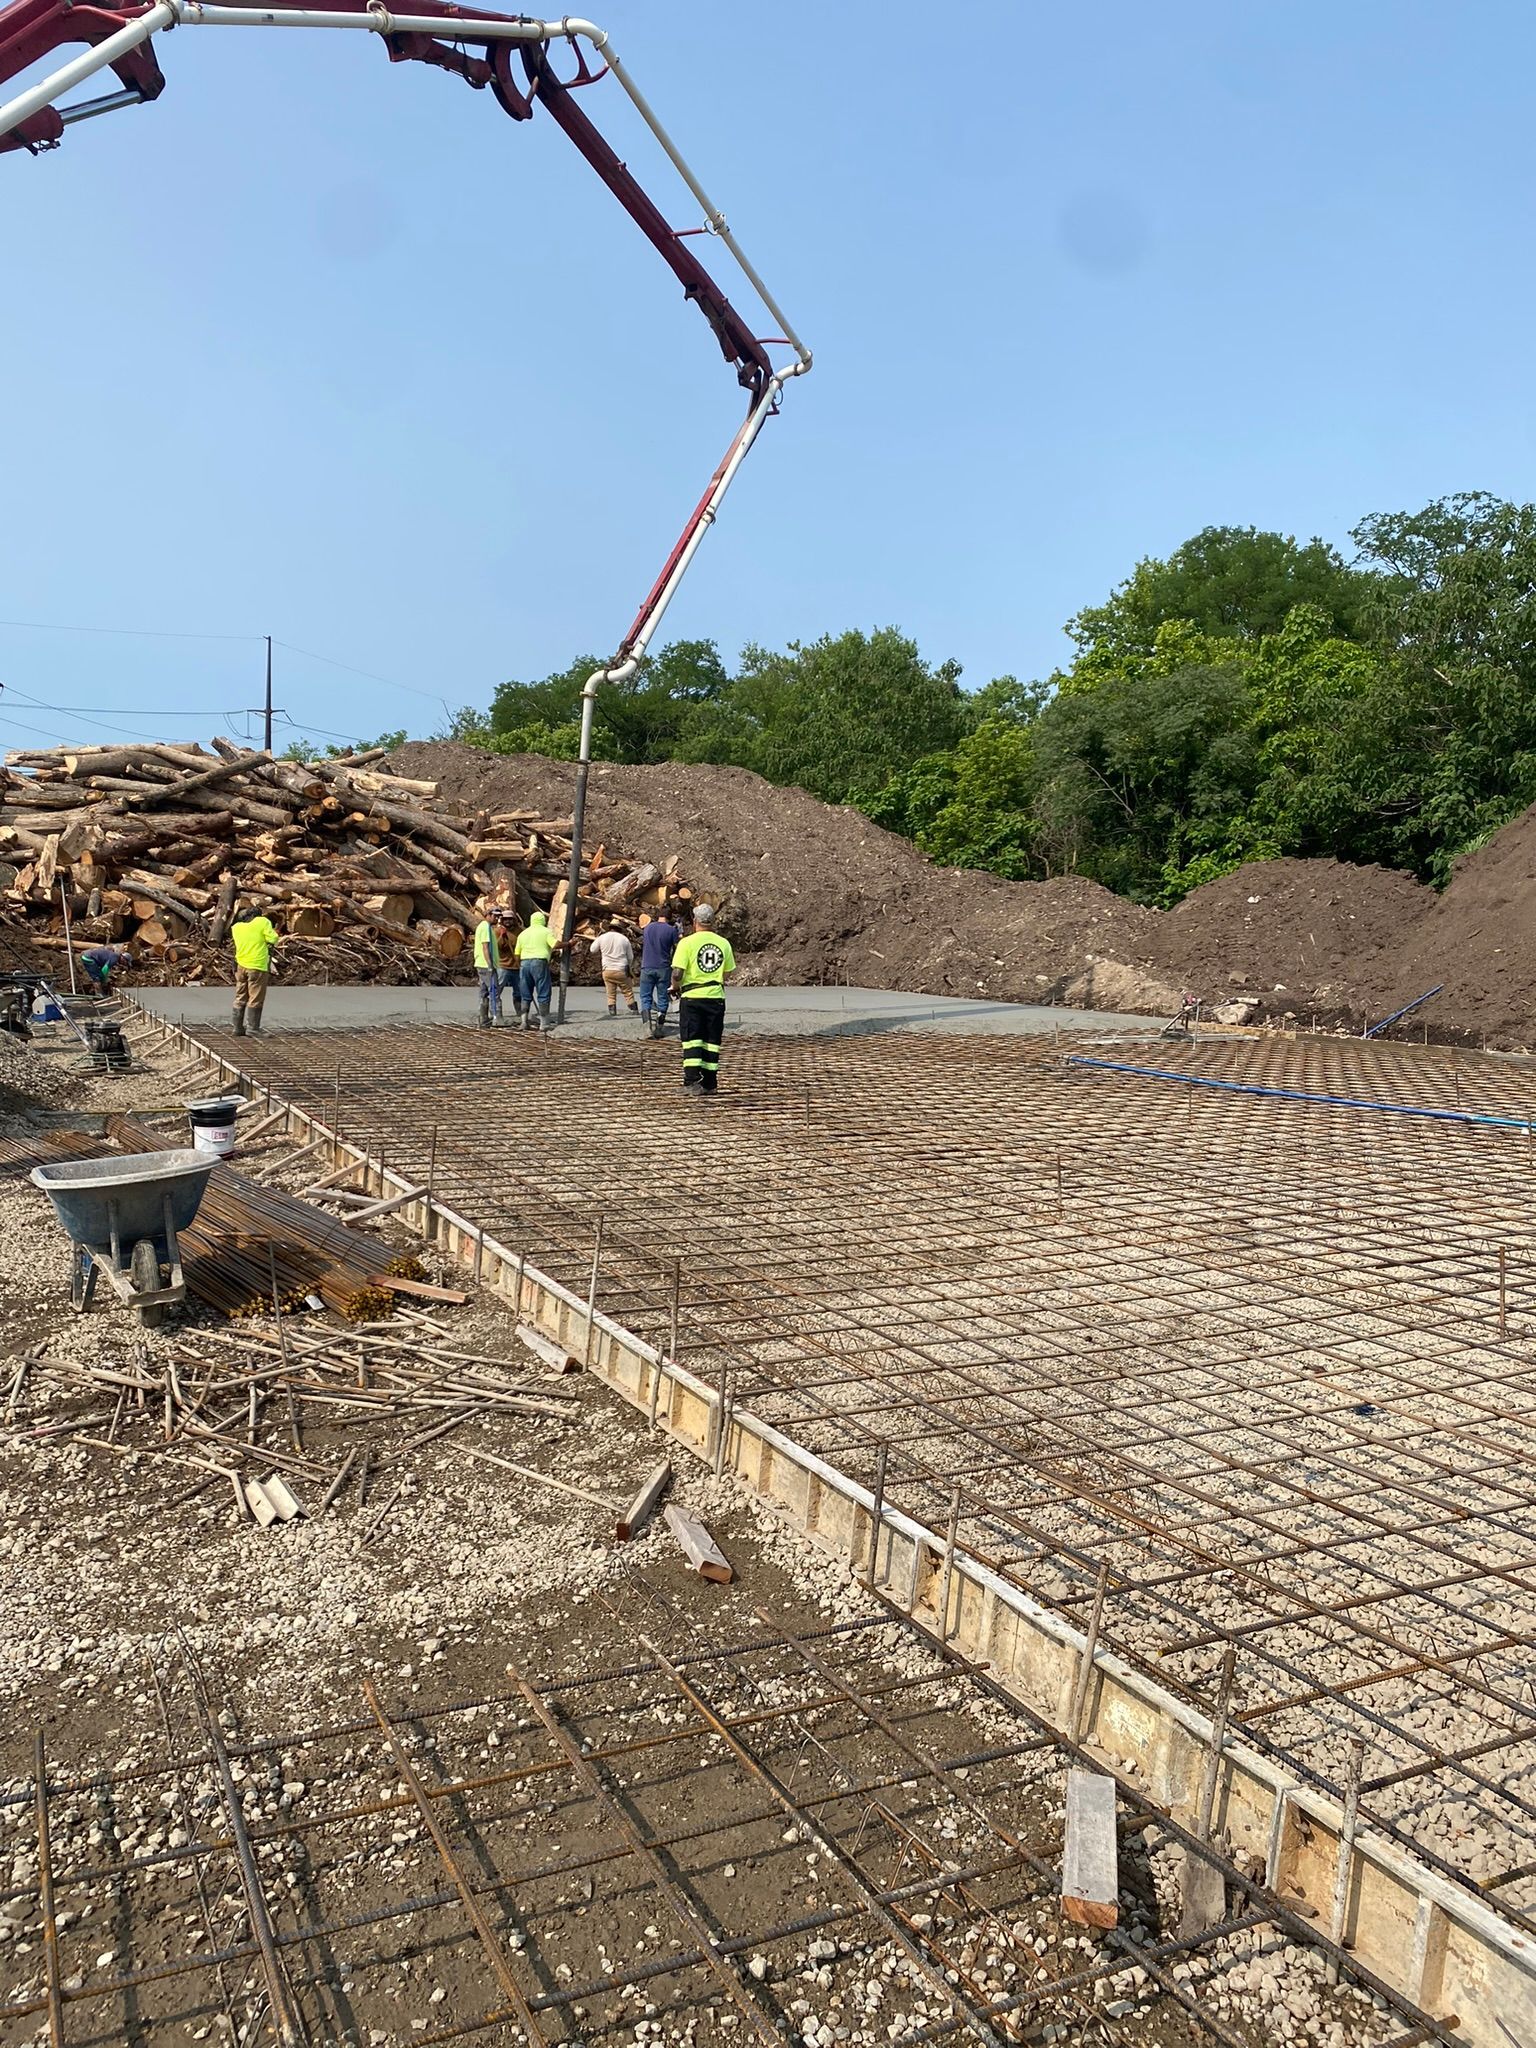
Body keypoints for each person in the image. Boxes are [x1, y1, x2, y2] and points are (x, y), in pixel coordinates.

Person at [669, 904, 736, 1095]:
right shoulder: (723, 943)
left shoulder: (687, 943)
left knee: (692, 1040)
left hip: (692, 998)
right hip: (715, 998)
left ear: (695, 921)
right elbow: (728, 972)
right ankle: (710, 1083)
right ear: (712, 922)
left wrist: (675, 987)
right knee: (712, 1041)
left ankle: (691, 1082)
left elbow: (677, 972)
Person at [230, 905, 281, 1038]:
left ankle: (237, 1028)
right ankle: (253, 1029)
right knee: (255, 997)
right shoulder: (262, 922)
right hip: (256, 966)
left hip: (240, 966)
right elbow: (273, 939)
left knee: (240, 996)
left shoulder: (236, 928)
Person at [513, 909, 561, 1032]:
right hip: (539, 962)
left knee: (525, 993)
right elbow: (555, 944)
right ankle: (544, 1023)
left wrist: (520, 966)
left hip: (524, 963)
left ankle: (524, 1021)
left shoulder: (523, 934)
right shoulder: (546, 932)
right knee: (543, 991)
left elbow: (517, 953)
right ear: (543, 921)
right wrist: (568, 944)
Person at [474, 907, 519, 1029]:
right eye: (495, 916)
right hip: (485, 965)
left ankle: (483, 1018)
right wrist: (490, 965)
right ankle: (497, 1018)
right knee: (494, 991)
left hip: (484, 964)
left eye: (498, 916)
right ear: (488, 915)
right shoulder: (485, 927)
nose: (497, 918)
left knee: (484, 992)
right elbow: (485, 947)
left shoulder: (488, 928)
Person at [638, 906, 679, 1039]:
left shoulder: (648, 928)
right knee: (662, 998)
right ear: (670, 917)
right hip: (663, 967)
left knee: (645, 997)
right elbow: (676, 947)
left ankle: (646, 1026)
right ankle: (659, 1027)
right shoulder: (672, 930)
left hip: (647, 966)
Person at [592, 919, 639, 1019]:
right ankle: (634, 1010)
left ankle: (612, 1012)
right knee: (627, 992)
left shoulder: (602, 937)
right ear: (619, 929)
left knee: (610, 993)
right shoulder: (624, 939)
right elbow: (630, 956)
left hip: (607, 969)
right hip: (621, 969)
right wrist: (628, 967)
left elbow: (592, 949)